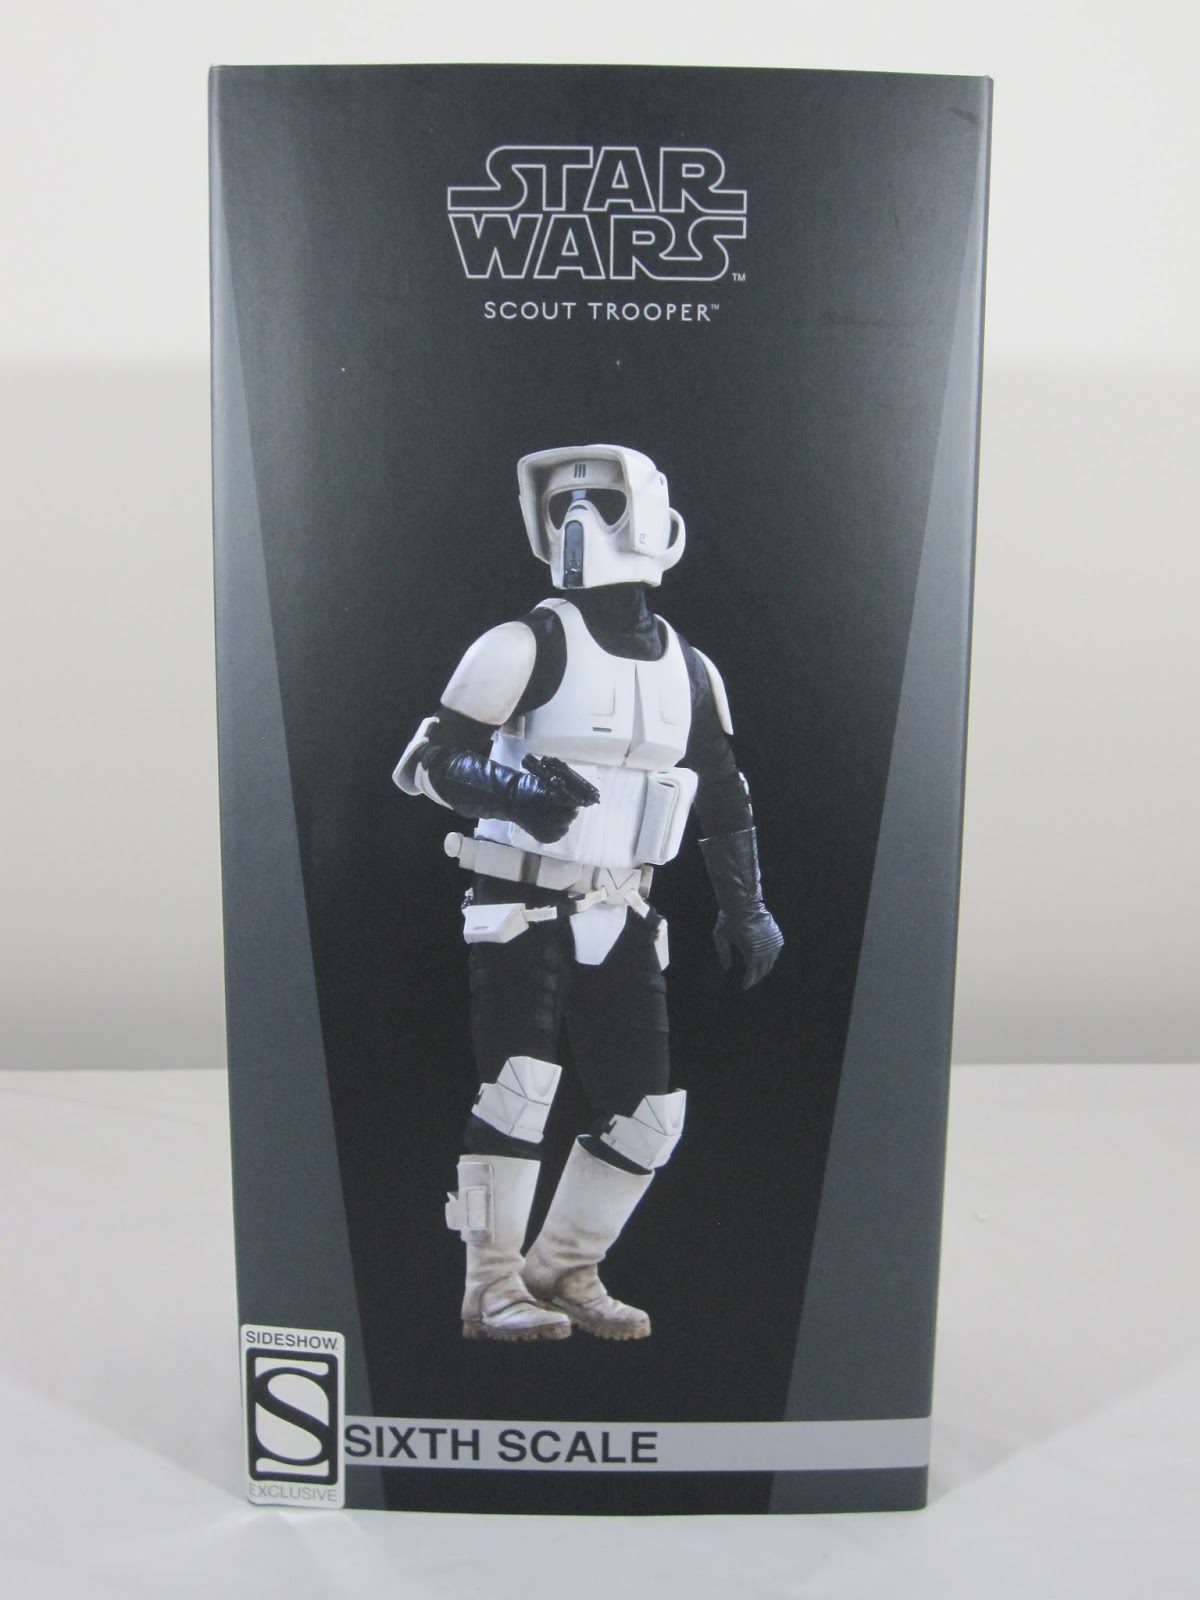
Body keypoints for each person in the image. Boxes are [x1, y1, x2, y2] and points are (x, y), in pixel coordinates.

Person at [393, 445, 783, 1342]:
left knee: (647, 1115)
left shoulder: (690, 670)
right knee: (517, 1089)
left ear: (651, 517)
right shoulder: (525, 644)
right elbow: (425, 760)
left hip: (625, 906)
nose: (578, 521)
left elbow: (724, 793)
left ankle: (565, 1268)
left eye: (600, 500)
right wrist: (511, 793)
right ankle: (491, 1285)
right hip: (520, 901)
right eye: (561, 503)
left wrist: (746, 905)